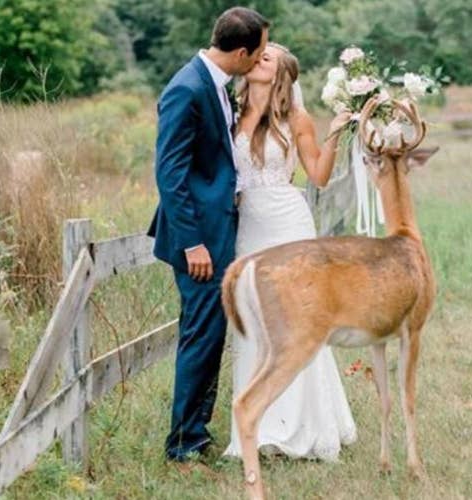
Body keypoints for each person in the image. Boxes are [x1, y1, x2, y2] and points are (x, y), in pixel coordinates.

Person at [223, 42, 357, 461]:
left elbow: (317, 175)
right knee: (255, 318)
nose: (256, 59)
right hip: (249, 228)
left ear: (280, 73)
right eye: (255, 55)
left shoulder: (296, 118)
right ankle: (259, 426)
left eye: (266, 57)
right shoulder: (231, 114)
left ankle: (307, 425)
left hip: (289, 224)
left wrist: (334, 132)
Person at [146, 7, 269, 467]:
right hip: (198, 241)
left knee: (212, 334)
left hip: (218, 232)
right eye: (257, 54)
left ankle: (197, 431)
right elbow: (170, 173)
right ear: (240, 52)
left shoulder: (213, 84)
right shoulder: (186, 88)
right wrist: (192, 242)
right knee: (200, 335)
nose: (258, 61)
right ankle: (183, 444)